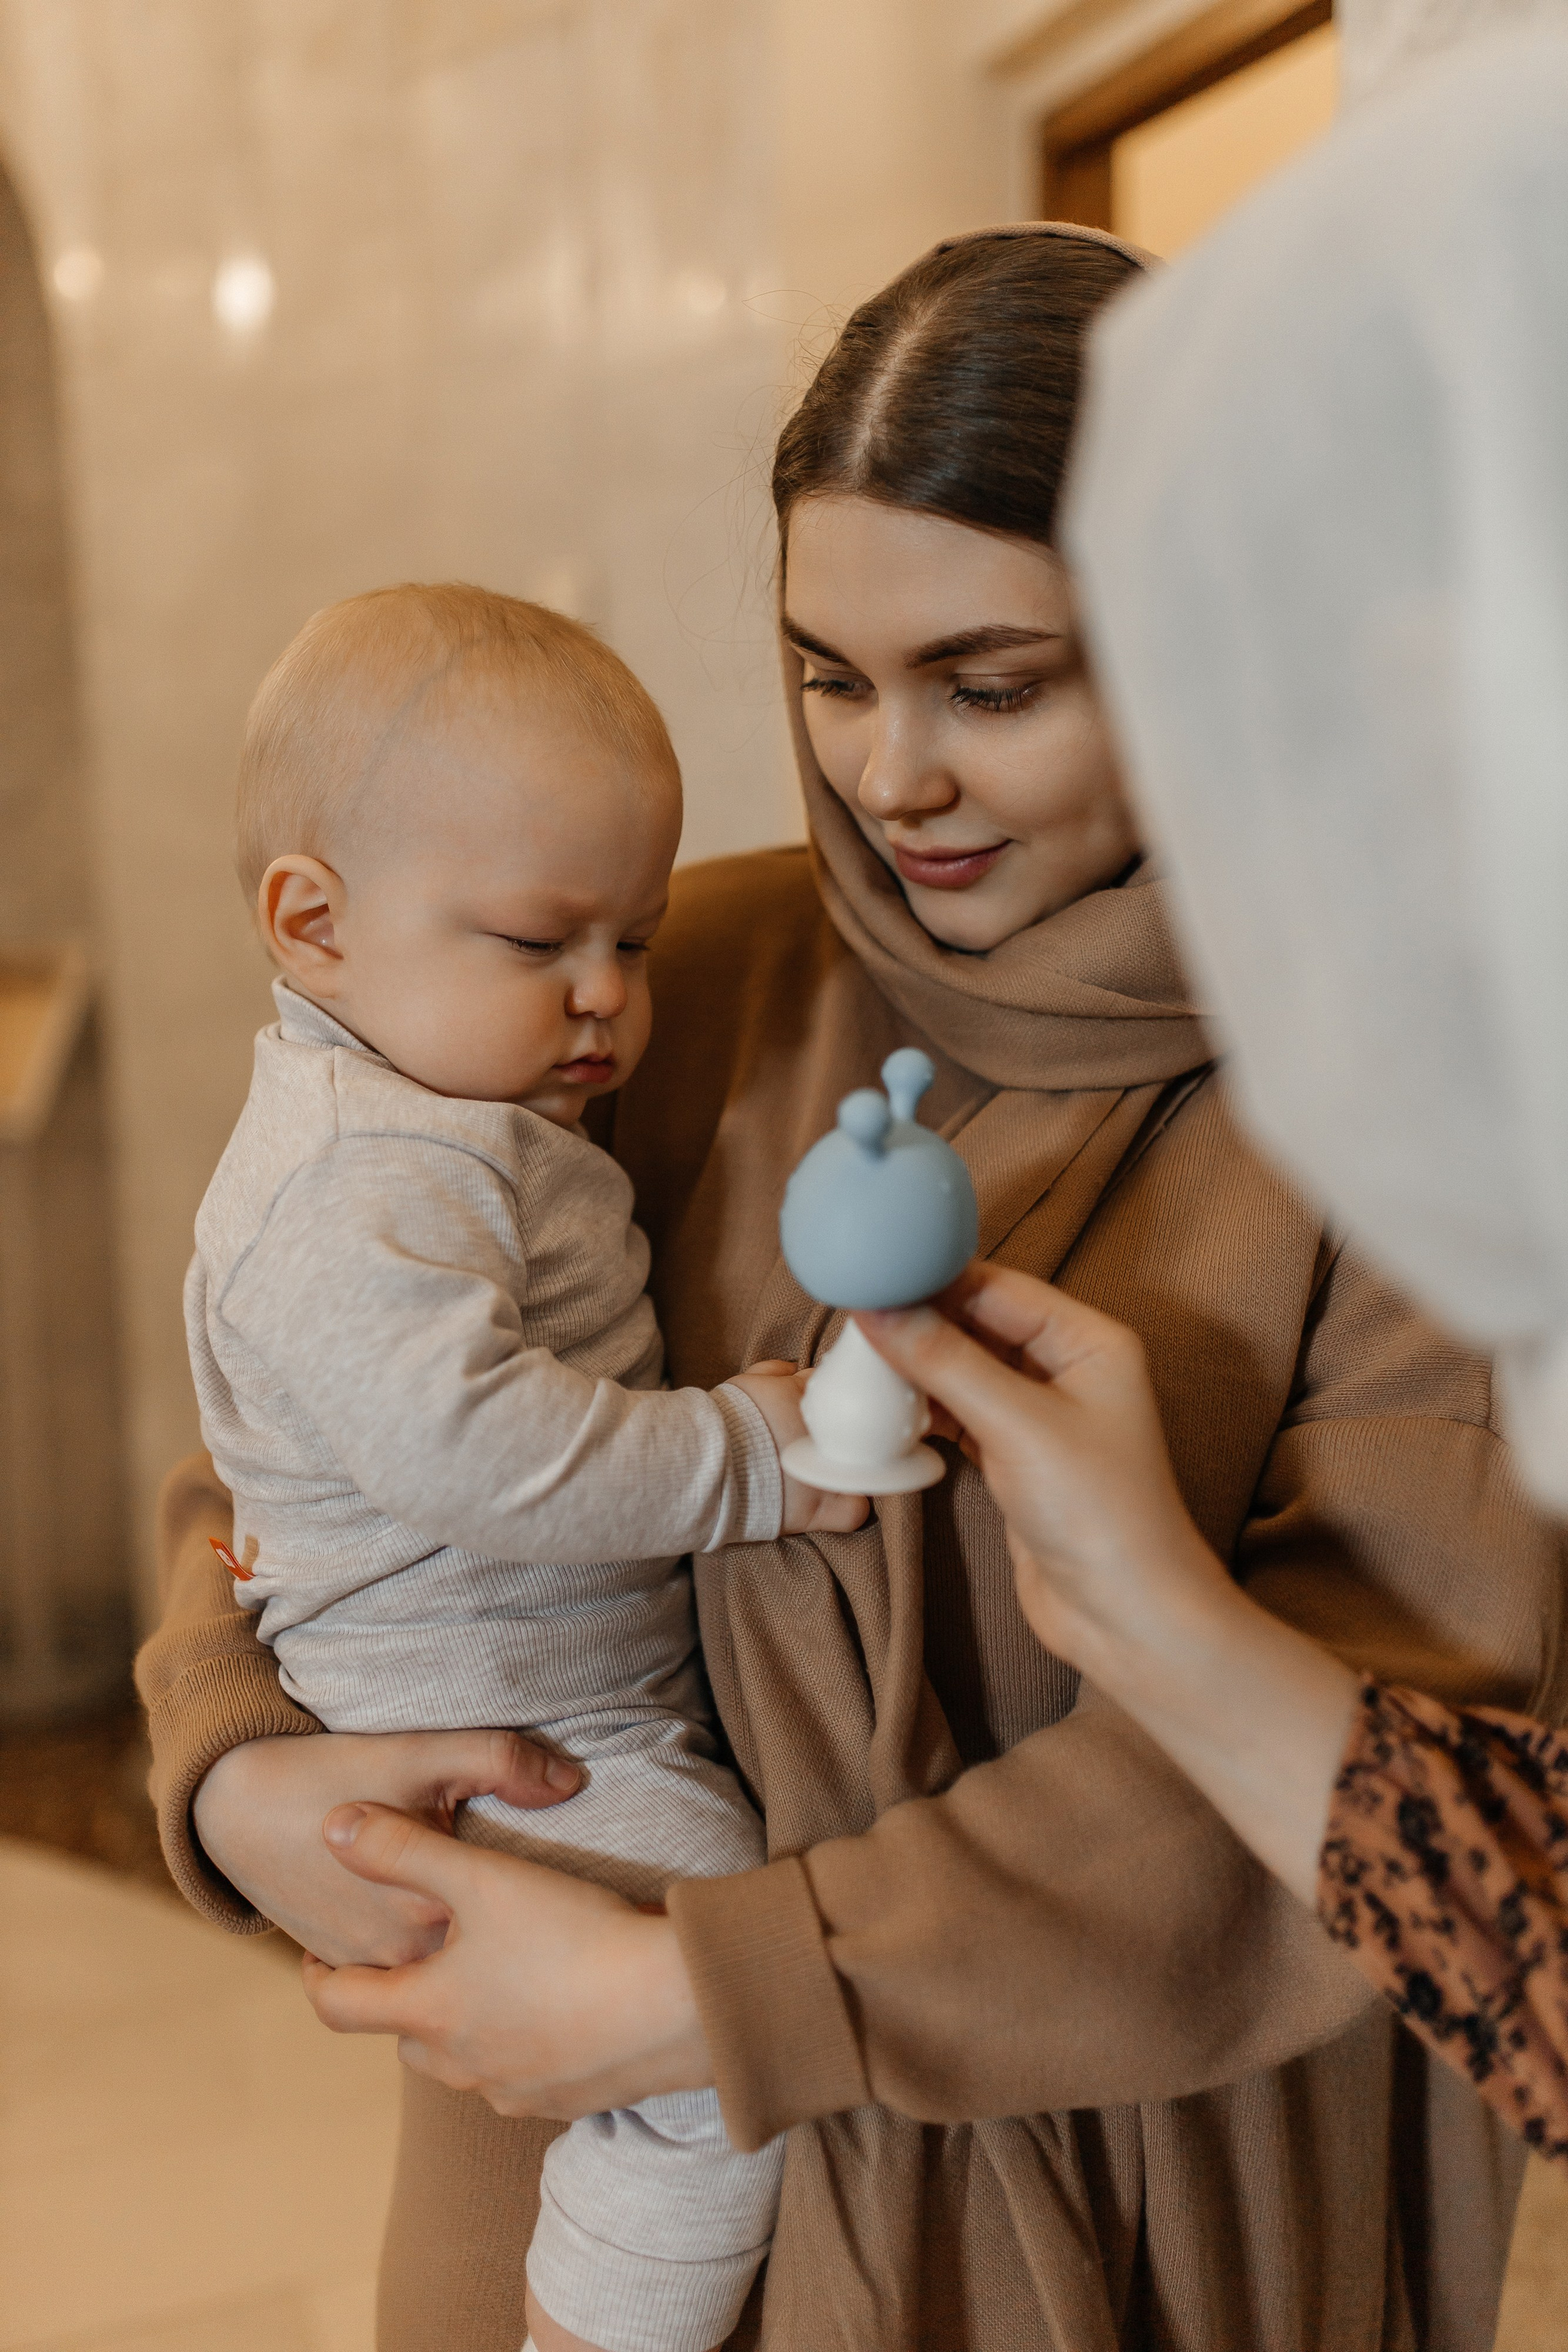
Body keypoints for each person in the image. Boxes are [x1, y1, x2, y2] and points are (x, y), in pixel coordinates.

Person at [138, 225, 1565, 2352]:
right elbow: (321, 1402)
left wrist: (713, 1993)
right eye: (830, 673)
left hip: (1118, 2187)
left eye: (993, 685)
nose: (892, 777)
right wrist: (241, 1764)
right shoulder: (659, 980)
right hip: (586, 2166)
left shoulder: (1420, 1108)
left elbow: (1382, 1773)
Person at [183, 583, 869, 2352]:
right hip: (496, 1734)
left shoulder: (446, 1115)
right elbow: (481, 1456)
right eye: (539, 942)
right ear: (312, 921)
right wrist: (754, 1461)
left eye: (632, 941)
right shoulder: (361, 1176)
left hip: (541, 1697)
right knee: (715, 2032)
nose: (606, 1001)